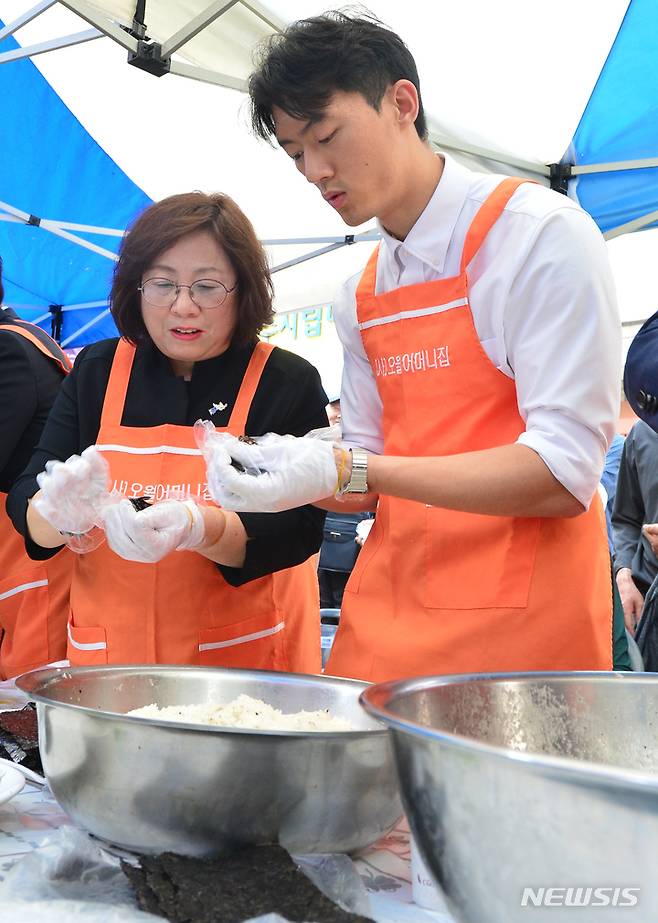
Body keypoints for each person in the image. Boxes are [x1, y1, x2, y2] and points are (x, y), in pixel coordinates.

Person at [200, 12, 620, 683]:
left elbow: (564, 473)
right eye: (295, 152)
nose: (316, 169)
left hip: (518, 645)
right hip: (387, 626)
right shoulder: (361, 293)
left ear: (401, 103)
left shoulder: (538, 238)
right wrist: (269, 481)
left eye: (326, 135)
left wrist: (351, 467)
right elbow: (366, 482)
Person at [8, 193, 326, 671]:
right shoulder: (97, 370)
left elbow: (299, 530)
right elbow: (27, 502)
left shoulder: (286, 380)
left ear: (243, 291)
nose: (183, 307)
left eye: (207, 286)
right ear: (136, 288)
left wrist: (202, 528)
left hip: (239, 668)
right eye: (162, 284)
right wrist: (60, 513)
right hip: (110, 663)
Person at [0, 257, 73, 679]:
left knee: (30, 705)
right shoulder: (28, 339)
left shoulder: (8, 349)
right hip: (23, 567)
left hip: (35, 565)